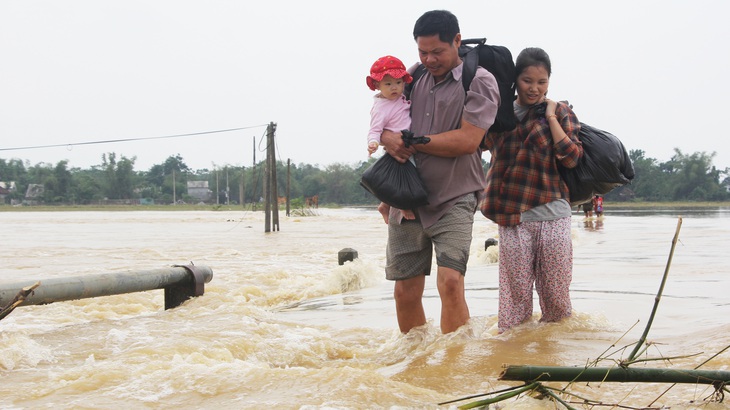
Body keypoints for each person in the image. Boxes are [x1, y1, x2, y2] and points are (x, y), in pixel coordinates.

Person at [378, 9, 500, 334]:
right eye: (422, 51)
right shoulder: (413, 76)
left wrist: (412, 142)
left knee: (449, 283)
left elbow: (468, 139)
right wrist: (387, 139)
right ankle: (416, 369)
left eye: (437, 51)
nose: (429, 59)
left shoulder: (480, 81)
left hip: (455, 196)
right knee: (404, 291)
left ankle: (454, 368)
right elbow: (386, 122)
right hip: (407, 197)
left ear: (457, 41)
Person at [480, 47, 583, 333]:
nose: (534, 88)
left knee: (556, 297)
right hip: (512, 215)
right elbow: (478, 144)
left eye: (542, 82)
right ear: (516, 80)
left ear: (549, 81)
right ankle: (516, 357)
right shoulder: (499, 112)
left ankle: (553, 358)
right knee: (514, 301)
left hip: (554, 214)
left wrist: (550, 118)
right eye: (527, 81)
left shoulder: (560, 112)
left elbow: (572, 157)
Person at [366, 55, 413, 157]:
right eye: (388, 84)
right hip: (398, 150)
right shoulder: (380, 108)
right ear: (378, 85)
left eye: (398, 82)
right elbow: (375, 130)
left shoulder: (401, 97)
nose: (394, 87)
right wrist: (373, 142)